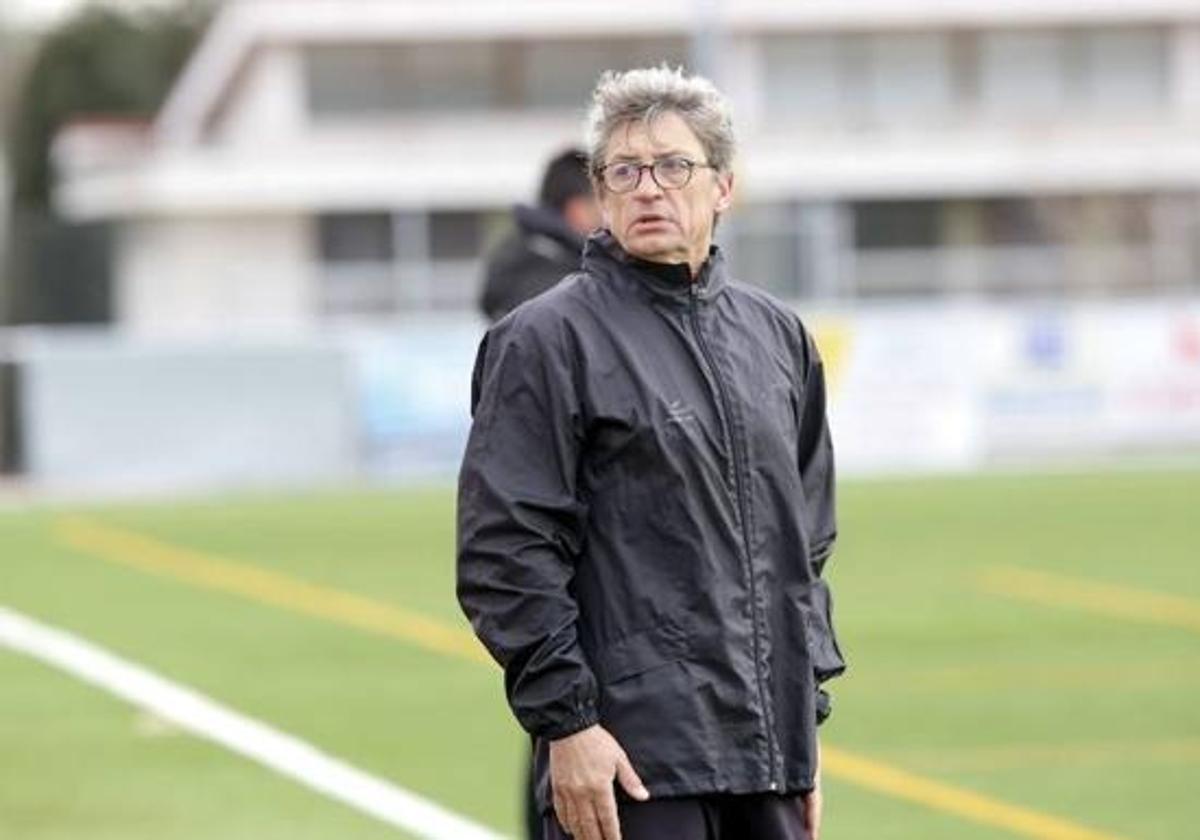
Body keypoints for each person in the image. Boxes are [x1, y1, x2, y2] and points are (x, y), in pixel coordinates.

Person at [457, 65, 847, 840]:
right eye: (625, 171)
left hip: (766, 763)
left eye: (673, 167)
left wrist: (802, 729)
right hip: (630, 767)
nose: (648, 189)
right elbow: (506, 553)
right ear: (601, 194)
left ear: (723, 188)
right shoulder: (544, 340)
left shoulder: (777, 338)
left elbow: (804, 549)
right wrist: (567, 725)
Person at [479, 148, 601, 324]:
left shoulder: (522, 251)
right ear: (578, 209)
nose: (607, 221)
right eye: (600, 207)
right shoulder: (550, 277)